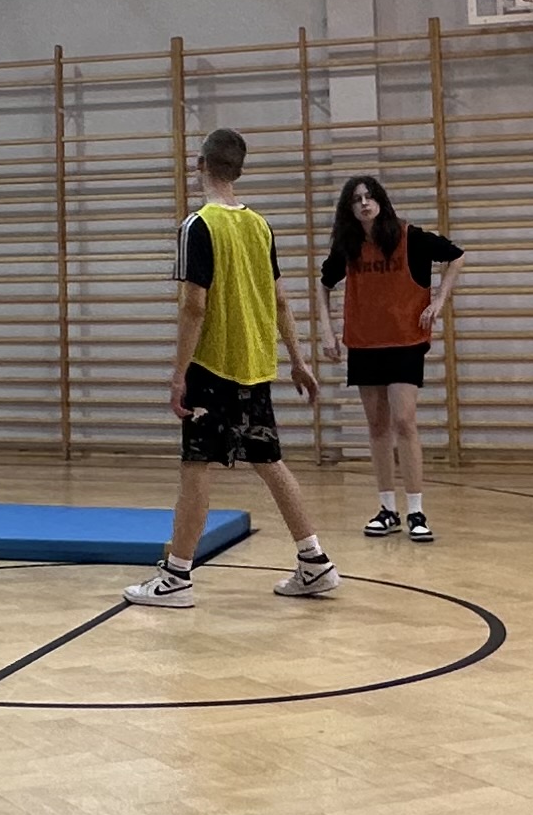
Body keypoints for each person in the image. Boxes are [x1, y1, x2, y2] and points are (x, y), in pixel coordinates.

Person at [129, 129, 341, 608]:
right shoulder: (259, 225)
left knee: (195, 467)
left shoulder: (197, 226)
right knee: (269, 461)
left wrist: (179, 374)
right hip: (256, 366)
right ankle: (315, 562)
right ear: (239, 171)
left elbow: (194, 307)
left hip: (212, 366)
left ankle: (176, 577)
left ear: (200, 164)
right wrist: (298, 360)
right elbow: (281, 300)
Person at [319, 174, 461, 545]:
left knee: (404, 420)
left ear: (380, 201)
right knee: (377, 426)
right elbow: (324, 285)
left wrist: (439, 300)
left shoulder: (409, 237)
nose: (364, 203)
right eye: (356, 199)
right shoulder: (348, 246)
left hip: (404, 342)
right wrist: (327, 331)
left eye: (369, 196)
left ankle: (416, 511)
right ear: (349, 208)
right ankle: (387, 509)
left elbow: (456, 256)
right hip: (364, 343)